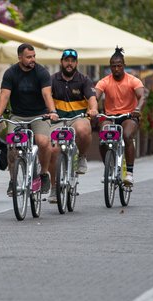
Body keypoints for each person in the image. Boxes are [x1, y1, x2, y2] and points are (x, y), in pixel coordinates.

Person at [0, 43, 59, 196]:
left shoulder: (42, 72)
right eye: (29, 57)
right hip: (18, 116)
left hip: (39, 115)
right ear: (20, 57)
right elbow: (5, 96)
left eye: (34, 56)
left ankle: (44, 174)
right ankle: (13, 181)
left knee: (42, 141)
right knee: (12, 147)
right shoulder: (11, 73)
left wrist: (52, 111)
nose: (32, 59)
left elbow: (47, 95)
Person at [47, 48, 98, 203]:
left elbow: (92, 98)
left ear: (76, 63)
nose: (69, 64)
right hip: (57, 120)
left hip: (78, 118)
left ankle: (81, 156)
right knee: (53, 149)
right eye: (66, 60)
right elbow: (46, 96)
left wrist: (94, 109)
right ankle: (54, 188)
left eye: (72, 61)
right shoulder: (52, 79)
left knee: (83, 129)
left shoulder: (84, 80)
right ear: (61, 62)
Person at [95, 46, 145, 186]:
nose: (116, 69)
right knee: (103, 136)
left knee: (127, 136)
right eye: (113, 66)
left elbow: (142, 97)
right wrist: (92, 108)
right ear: (110, 67)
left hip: (129, 115)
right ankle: (108, 169)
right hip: (110, 116)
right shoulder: (104, 81)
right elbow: (95, 96)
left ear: (124, 66)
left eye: (119, 66)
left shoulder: (133, 80)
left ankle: (129, 173)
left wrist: (138, 108)